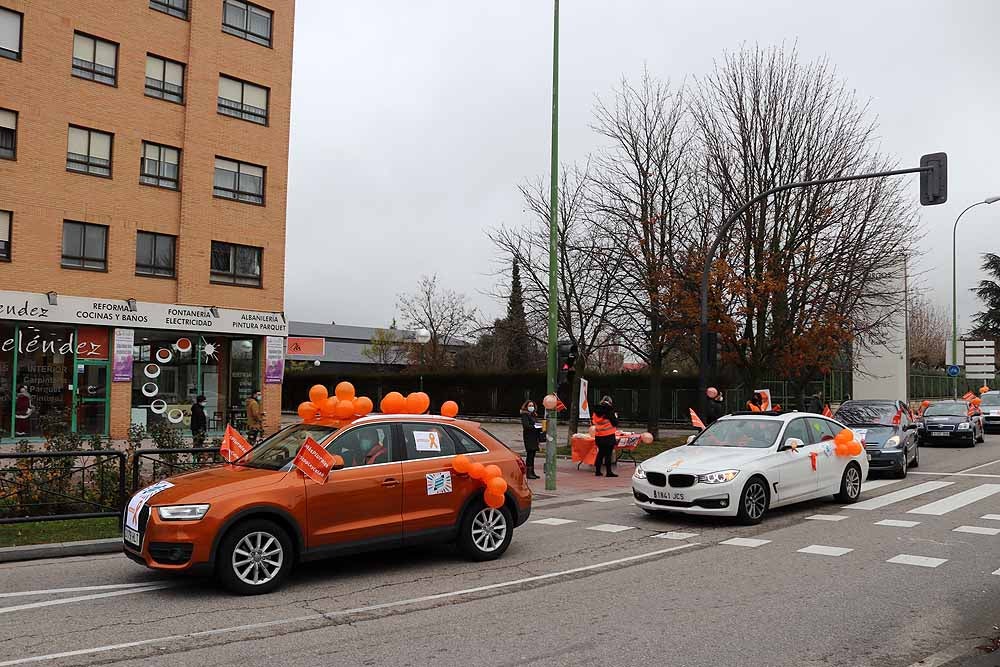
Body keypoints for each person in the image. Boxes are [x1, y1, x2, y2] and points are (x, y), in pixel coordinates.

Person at [590, 396, 619, 477]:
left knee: (600, 453)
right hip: (609, 436)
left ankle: (598, 471)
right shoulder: (609, 410)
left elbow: (594, 421)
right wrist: (616, 417)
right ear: (610, 402)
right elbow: (615, 423)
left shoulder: (596, 411)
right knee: (608, 454)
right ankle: (609, 472)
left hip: (599, 435)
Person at [520, 400, 540, 479]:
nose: (531, 407)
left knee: (533, 454)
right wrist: (535, 427)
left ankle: (532, 472)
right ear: (526, 406)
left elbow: (535, 423)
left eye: (532, 405)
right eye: (529, 405)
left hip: (534, 437)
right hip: (529, 437)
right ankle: (528, 473)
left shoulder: (533, 415)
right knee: (530, 455)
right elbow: (526, 426)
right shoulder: (525, 415)